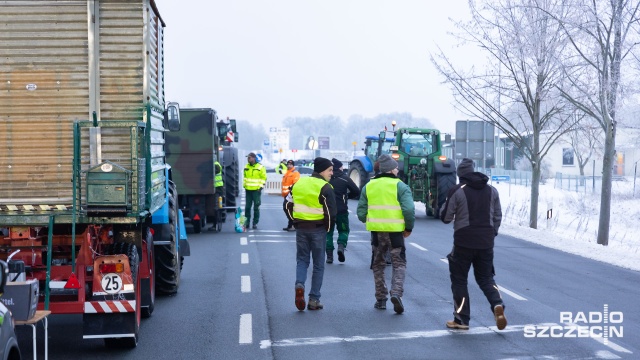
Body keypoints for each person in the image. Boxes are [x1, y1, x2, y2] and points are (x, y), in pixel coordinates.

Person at [439, 158, 506, 331]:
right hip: (486, 243)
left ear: (460, 174)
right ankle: (497, 304)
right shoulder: (492, 190)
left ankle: (461, 320)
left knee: (459, 280)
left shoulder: (457, 190)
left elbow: (446, 218)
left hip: (463, 243)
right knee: (486, 278)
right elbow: (497, 216)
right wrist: (492, 234)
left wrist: (443, 207)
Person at [357, 154, 415, 314]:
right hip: (395, 232)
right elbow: (409, 209)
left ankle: (380, 299)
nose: (397, 170)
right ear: (390, 169)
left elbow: (361, 210)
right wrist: (408, 227)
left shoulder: (369, 186)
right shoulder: (400, 186)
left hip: (377, 232)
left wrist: (369, 219)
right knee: (399, 264)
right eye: (396, 167)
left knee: (378, 264)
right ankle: (396, 293)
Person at [285, 157, 337, 311]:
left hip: (301, 229)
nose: (332, 173)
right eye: (330, 170)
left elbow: (287, 204)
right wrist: (327, 229)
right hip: (318, 229)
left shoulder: (298, 184)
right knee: (318, 265)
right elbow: (331, 213)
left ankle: (299, 284)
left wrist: (295, 221)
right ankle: (314, 299)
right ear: (322, 170)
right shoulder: (326, 187)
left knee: (302, 260)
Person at [325, 158, 360, 263]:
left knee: (328, 233)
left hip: (328, 211)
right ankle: (341, 245)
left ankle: (329, 256)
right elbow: (356, 191)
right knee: (344, 230)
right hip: (342, 211)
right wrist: (347, 196)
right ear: (340, 167)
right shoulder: (345, 179)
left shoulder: (325, 180)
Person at [243, 152, 267, 230]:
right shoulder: (246, 166)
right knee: (247, 208)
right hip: (248, 190)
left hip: (256, 191)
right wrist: (245, 186)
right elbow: (245, 177)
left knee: (256, 207)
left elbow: (263, 178)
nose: (248, 159)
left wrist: (260, 188)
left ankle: (255, 223)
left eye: (249, 158)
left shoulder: (260, 167)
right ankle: (247, 223)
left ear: (254, 158)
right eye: (247, 158)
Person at [281, 160, 300, 231]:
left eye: (290, 164)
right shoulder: (286, 172)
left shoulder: (295, 173)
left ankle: (293, 224)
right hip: (286, 194)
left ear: (293, 165)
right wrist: (281, 163)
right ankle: (290, 225)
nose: (289, 165)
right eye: (288, 164)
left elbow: (295, 183)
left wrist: (291, 191)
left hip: (291, 194)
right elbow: (277, 170)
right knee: (288, 209)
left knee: (288, 209)